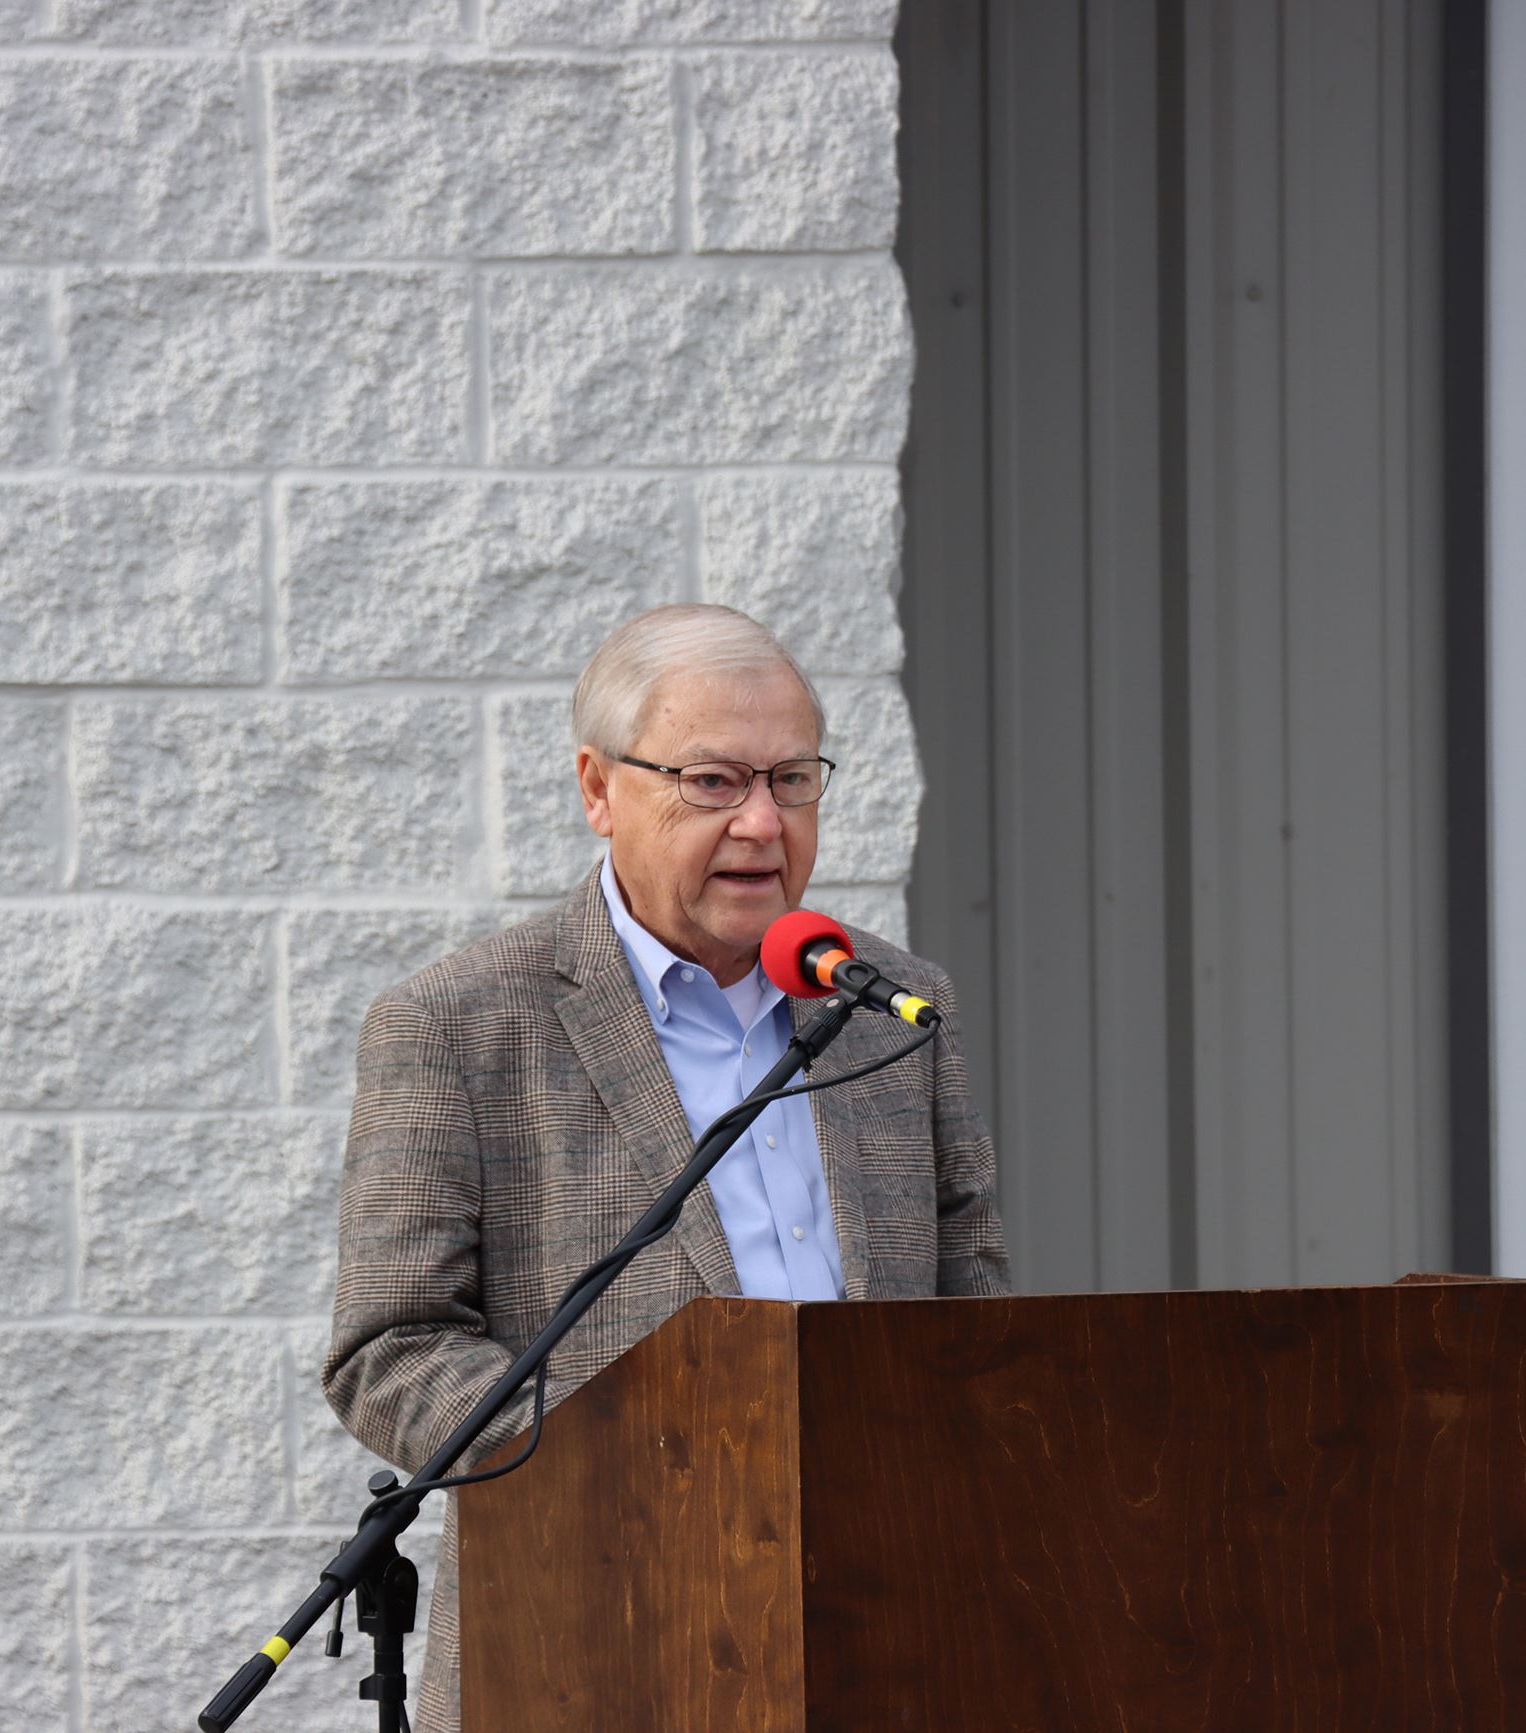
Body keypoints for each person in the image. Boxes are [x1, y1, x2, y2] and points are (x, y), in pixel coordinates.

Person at [321, 604, 1014, 1732]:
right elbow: (389, 1347)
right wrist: (639, 1463)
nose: (761, 821)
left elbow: (972, 1305)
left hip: (889, 1630)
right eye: (711, 780)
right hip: (598, 1630)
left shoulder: (893, 1006)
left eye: (792, 779)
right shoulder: (459, 1023)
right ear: (598, 788)